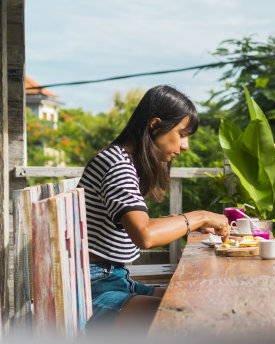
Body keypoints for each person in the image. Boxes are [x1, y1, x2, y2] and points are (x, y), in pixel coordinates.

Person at [77, 85, 231, 332]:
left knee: (199, 301)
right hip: (91, 291)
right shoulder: (117, 164)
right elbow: (145, 234)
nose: (186, 145)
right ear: (155, 125)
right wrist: (200, 216)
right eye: (182, 134)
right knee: (192, 317)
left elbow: (140, 223)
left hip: (112, 279)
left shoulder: (121, 160)